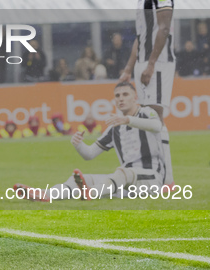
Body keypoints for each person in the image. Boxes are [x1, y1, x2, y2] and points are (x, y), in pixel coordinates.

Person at [14, 82, 165, 202]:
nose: (121, 98)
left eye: (125, 94)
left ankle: (91, 193)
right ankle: (47, 194)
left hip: (151, 180)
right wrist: (79, 144)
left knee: (122, 173)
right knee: (83, 179)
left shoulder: (146, 113)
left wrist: (128, 119)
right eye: (117, 95)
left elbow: (157, 126)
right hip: (126, 184)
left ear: (135, 98)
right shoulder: (115, 128)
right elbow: (89, 154)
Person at [119, 0, 176, 188]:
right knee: (148, 118)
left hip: (159, 62)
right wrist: (129, 68)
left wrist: (151, 64)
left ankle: (168, 180)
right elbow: (140, 36)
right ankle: (158, 176)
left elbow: (163, 28)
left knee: (155, 118)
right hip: (145, 62)